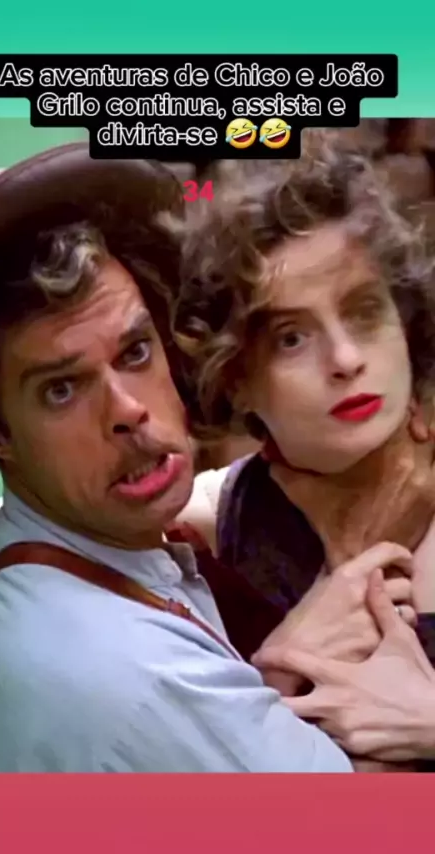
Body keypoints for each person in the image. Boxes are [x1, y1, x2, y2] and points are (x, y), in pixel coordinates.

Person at [0, 142, 359, 773]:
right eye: (61, 389)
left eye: (135, 352)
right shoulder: (134, 677)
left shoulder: (3, 534)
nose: (127, 410)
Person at [165, 132, 435, 764]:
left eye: (364, 312)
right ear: (236, 379)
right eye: (291, 338)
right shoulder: (210, 523)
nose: (345, 359)